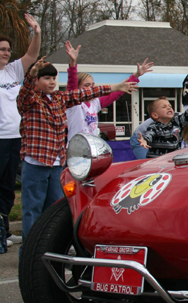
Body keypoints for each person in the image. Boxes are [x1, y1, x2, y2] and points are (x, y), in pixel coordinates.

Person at [17, 58, 137, 242]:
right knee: (32, 210)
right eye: (46, 78)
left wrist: (117, 87)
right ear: (37, 81)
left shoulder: (59, 98)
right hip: (36, 162)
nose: (51, 82)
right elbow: (26, 93)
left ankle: (50, 249)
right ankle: (29, 254)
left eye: (53, 78)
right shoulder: (30, 101)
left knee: (55, 211)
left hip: (57, 163)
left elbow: (87, 93)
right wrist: (32, 74)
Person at [0, 13, 41, 251]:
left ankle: (4, 230)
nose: (6, 53)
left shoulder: (13, 71)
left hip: (17, 137)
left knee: (8, 187)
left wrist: (36, 32)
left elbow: (32, 56)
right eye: (2, 49)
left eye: (7, 49)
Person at [64, 40, 153, 142]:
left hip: (92, 149)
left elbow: (117, 92)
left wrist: (136, 75)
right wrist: (73, 63)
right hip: (76, 150)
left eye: (93, 85)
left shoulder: (95, 102)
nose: (91, 88)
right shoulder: (74, 103)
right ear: (78, 88)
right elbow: (72, 83)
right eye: (86, 85)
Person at [138, 74, 188, 157]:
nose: (169, 108)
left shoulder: (178, 121)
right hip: (157, 162)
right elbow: (149, 135)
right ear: (155, 115)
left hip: (172, 160)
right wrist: (145, 141)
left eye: (170, 106)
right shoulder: (154, 127)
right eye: (164, 107)